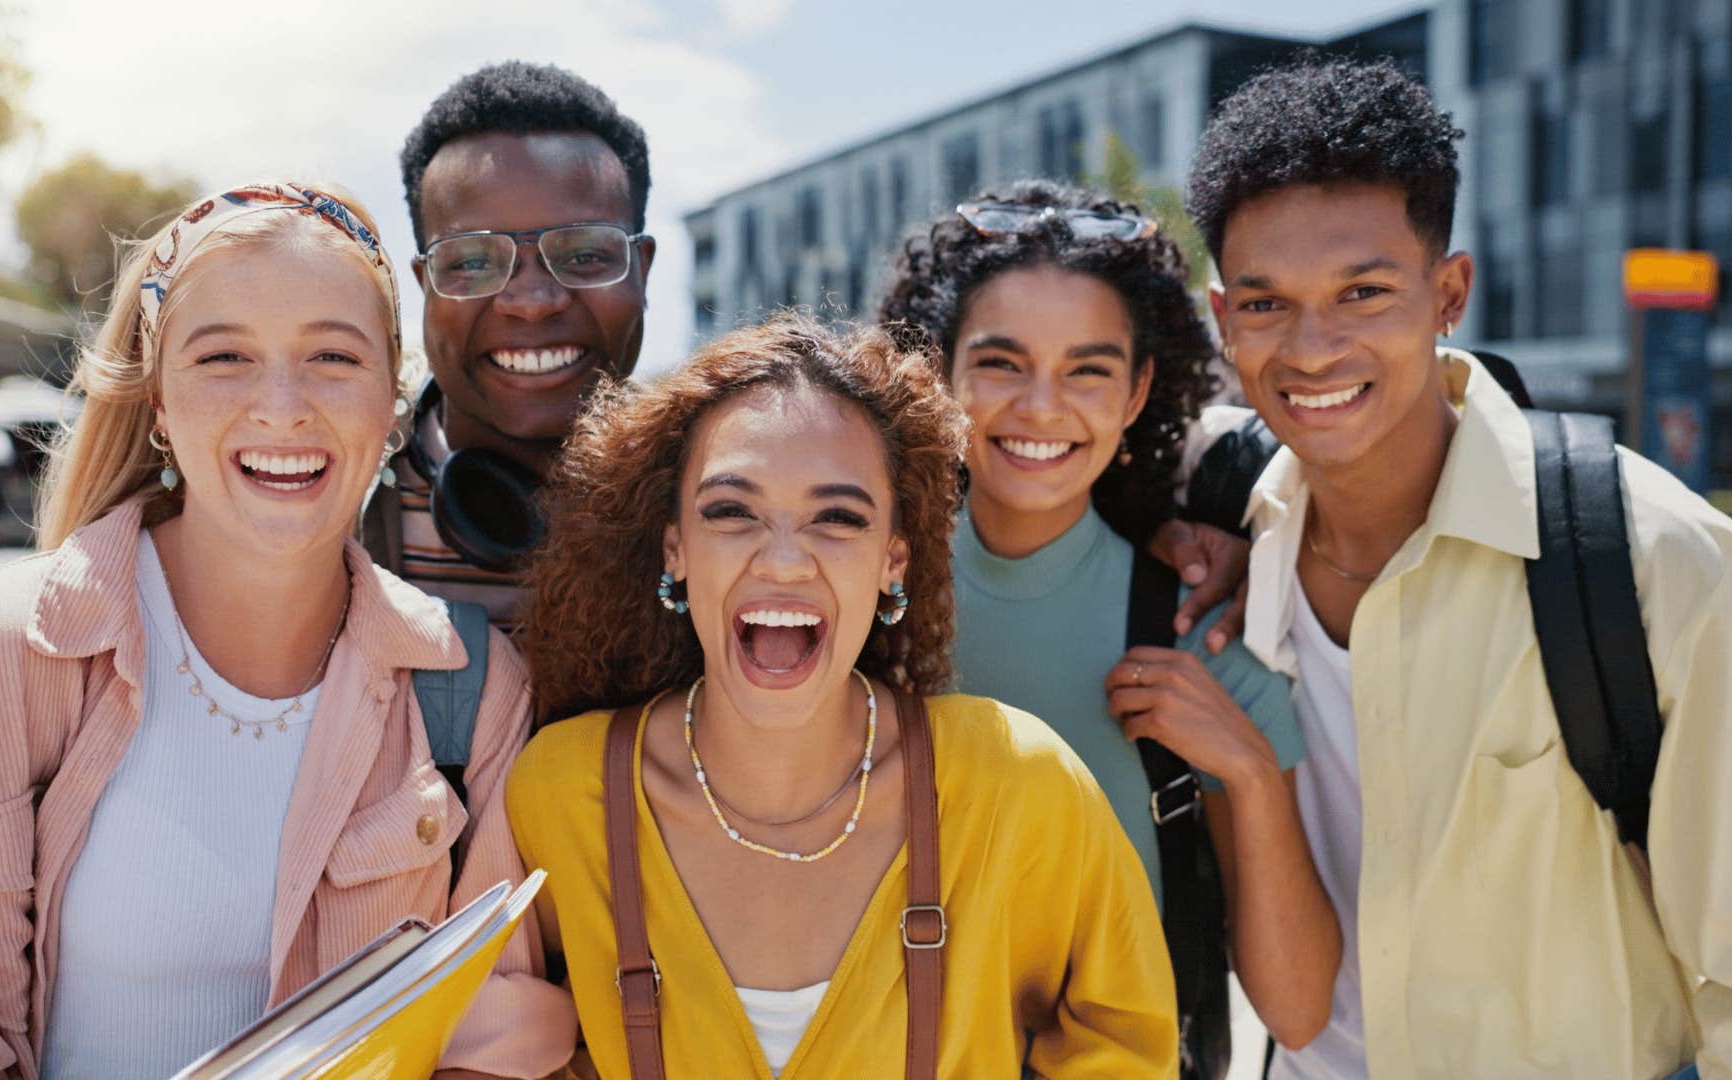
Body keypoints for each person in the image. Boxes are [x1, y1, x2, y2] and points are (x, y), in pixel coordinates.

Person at [0, 61, 1251, 881]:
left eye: (581, 254)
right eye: (475, 260)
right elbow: (79, 666)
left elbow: (1023, 464)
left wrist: (1202, 516)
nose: (531, 300)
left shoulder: (754, 496)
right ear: (417, 282)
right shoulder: (300, 498)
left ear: (643, 268)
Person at [0, 182, 571, 1078]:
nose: (283, 405)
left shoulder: (473, 688)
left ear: (390, 405)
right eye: (224, 357)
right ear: (160, 410)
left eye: (333, 357)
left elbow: (492, 1043)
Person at [1188, 58, 1731, 1079]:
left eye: (1363, 291)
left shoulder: (1649, 559)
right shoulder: (1231, 521)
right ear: (1223, 323)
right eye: (1265, 306)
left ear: (1449, 294)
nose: (1312, 348)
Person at [509, 316, 1178, 1078]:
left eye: (838, 517)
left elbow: (1130, 1048)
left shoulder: (1016, 781)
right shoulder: (562, 793)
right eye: (732, 511)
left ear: (894, 559)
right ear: (676, 547)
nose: (786, 561)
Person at [875, 180, 1338, 1059]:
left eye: (1087, 370)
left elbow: (1300, 1010)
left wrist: (1246, 766)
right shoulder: (858, 609)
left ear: (1136, 394)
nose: (1042, 407)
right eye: (1002, 363)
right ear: (939, 374)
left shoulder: (1196, 639)